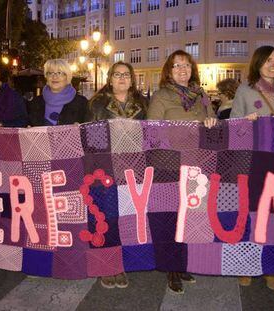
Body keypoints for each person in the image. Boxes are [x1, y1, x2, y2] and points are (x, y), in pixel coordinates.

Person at [231, 45, 274, 292]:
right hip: (253, 159)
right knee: (250, 211)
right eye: (268, 59)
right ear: (258, 62)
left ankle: (271, 267)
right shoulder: (246, 89)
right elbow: (233, 125)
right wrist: (244, 121)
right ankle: (247, 265)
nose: (273, 64)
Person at [147, 49, 217, 295]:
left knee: (190, 216)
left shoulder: (202, 95)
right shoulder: (161, 97)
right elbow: (152, 132)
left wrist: (211, 122)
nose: (182, 69)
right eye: (176, 66)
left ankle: (182, 263)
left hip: (195, 166)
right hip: (167, 166)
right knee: (168, 218)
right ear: (169, 70)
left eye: (186, 65)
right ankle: (171, 268)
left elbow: (213, 123)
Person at [86, 61, 148, 289]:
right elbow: (90, 138)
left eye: (126, 75)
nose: (122, 78)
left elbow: (150, 134)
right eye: (117, 74)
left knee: (126, 219)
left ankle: (120, 264)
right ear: (110, 79)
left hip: (133, 168)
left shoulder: (143, 103)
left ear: (132, 80)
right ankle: (105, 265)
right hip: (105, 167)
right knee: (104, 218)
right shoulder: (97, 103)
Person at [231, 45, 274, 123]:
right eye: (268, 60)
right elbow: (233, 122)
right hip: (255, 134)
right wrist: (245, 121)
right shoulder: (244, 89)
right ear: (258, 64)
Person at [28, 59, 88, 126]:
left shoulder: (81, 103)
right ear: (46, 77)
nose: (54, 77)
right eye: (50, 73)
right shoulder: (35, 102)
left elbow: (89, 131)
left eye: (59, 73)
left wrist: (81, 130)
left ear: (67, 76)